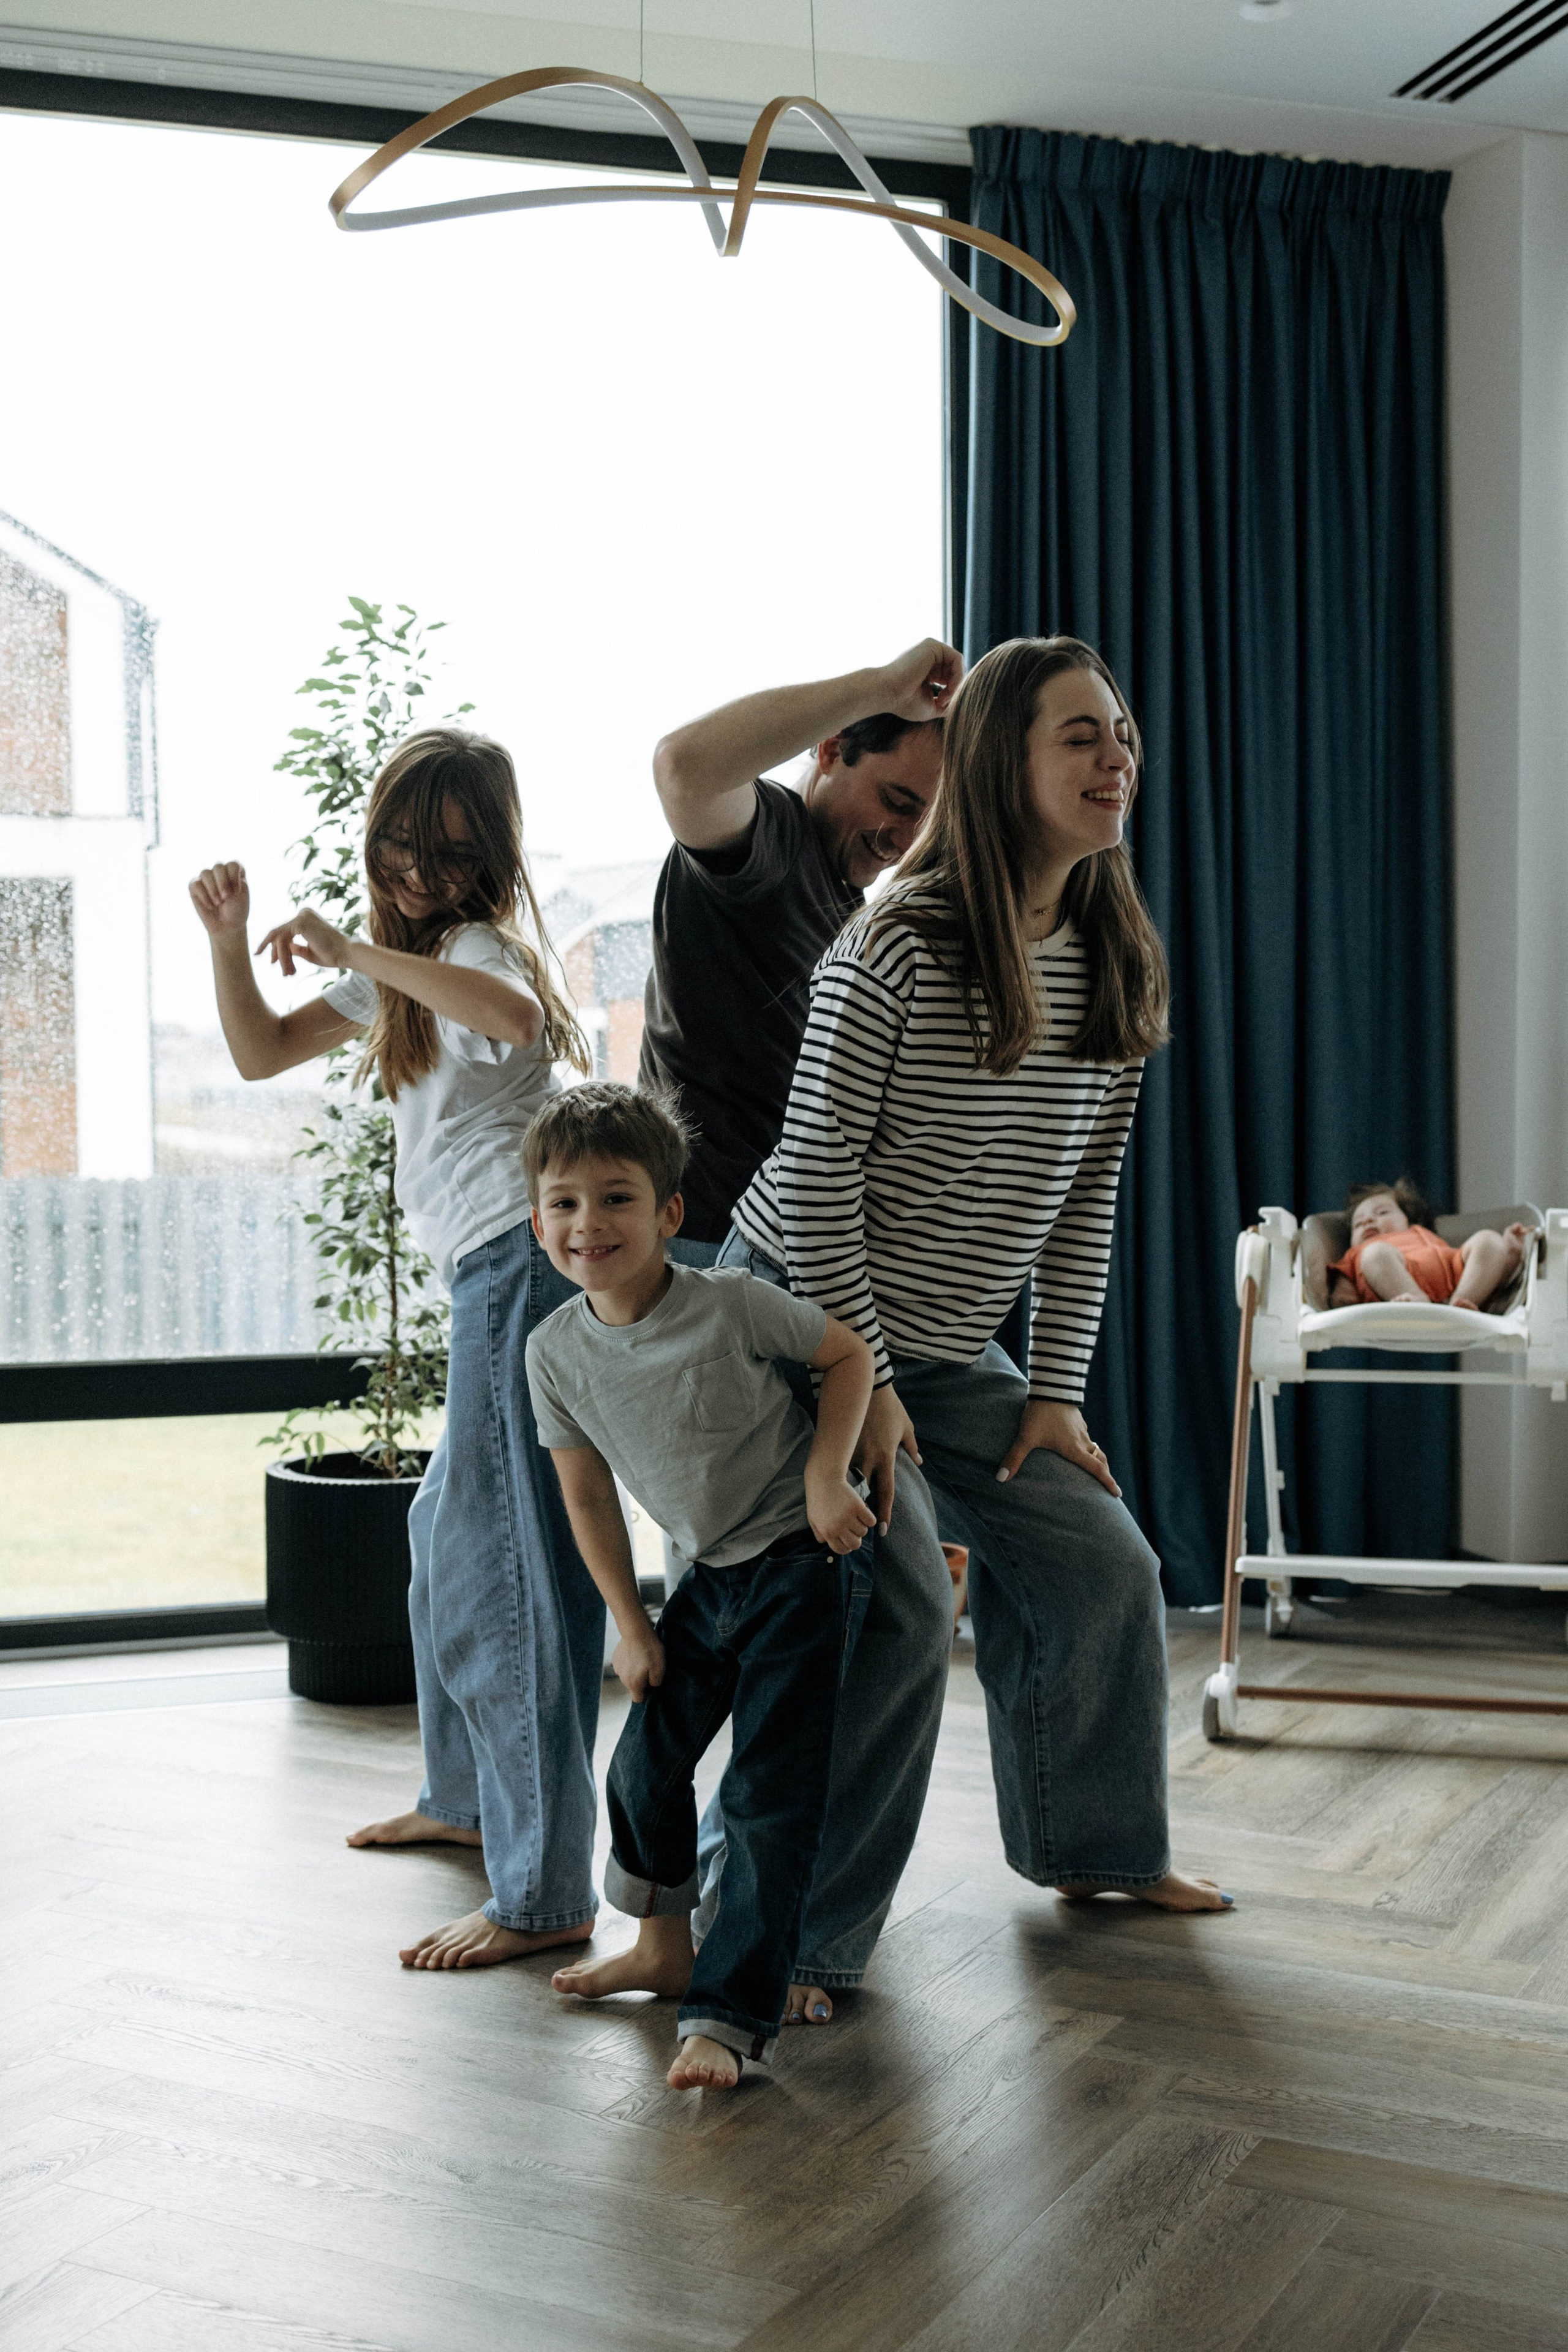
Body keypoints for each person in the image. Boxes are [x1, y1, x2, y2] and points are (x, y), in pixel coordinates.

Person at [720, 635, 1231, 1975]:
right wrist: (869, 1388)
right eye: (1078, 734)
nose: (1113, 754)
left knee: (1101, 1560)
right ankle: (790, 1943)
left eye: (1118, 732)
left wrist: (1052, 1395)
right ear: (1003, 759)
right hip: (793, 1328)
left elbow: (1083, 1200)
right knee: (887, 1606)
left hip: (943, 1350)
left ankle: (1096, 1848)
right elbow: (817, 1174)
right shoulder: (893, 942)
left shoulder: (1112, 951)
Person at [189, 728, 607, 1971]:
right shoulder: (408, 970)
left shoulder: (467, 954)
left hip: (521, 1265)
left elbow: (517, 1011)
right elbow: (261, 1050)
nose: (418, 870)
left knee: (515, 1569)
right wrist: (231, 941)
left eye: (447, 851)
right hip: (484, 1270)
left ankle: (544, 1895)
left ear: (485, 858)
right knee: (444, 1540)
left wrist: (355, 946)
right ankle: (465, 1800)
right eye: (401, 847)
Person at [519, 1083, 875, 2089]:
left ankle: (727, 2019)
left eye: (618, 1199)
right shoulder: (552, 1352)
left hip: (803, 1574)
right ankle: (662, 1948)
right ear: (538, 1219)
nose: (590, 1224)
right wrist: (630, 1627)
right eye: (565, 1203)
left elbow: (845, 1358)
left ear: (670, 1213)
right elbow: (585, 1496)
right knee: (640, 1772)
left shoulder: (729, 1303)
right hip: (706, 1584)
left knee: (766, 1797)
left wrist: (824, 1477)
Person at [640, 638, 962, 1255]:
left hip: (774, 1258)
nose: (903, 839)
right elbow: (682, 766)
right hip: (699, 1248)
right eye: (897, 803)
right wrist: (877, 688)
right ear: (832, 748)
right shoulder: (774, 841)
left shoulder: (850, 907)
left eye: (925, 822)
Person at [1329, 1181, 1530, 1308]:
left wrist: (1509, 1250)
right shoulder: (1358, 1253)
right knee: (1375, 1254)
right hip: (1400, 1293)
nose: (1367, 1222)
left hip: (1455, 1277)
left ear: (1407, 1219)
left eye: (1382, 1213)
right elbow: (1343, 1296)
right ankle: (1416, 1299)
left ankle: (1463, 1301)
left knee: (1489, 1239)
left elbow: (1486, 1269)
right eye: (1358, 1224)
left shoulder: (1422, 1234)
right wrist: (1342, 1297)